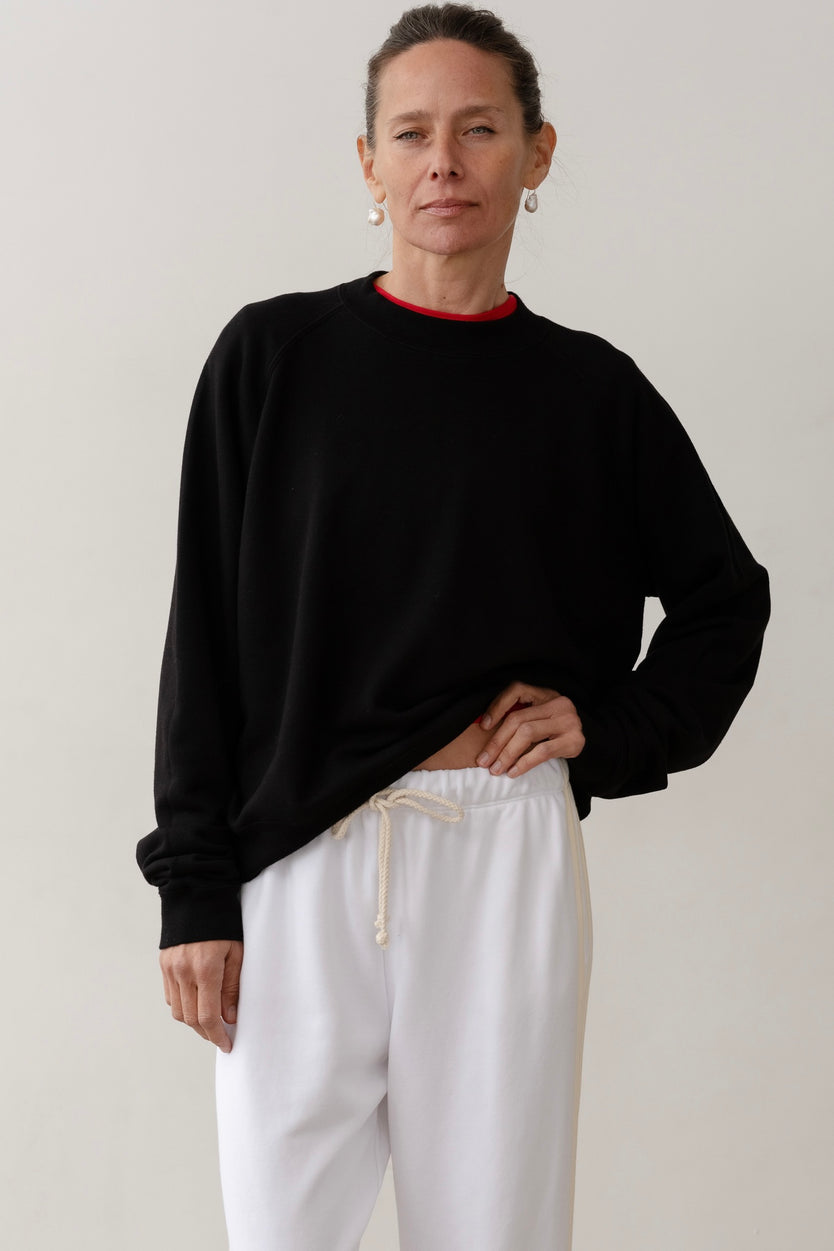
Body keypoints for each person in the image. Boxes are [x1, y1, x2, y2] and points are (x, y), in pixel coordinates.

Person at [136, 5, 770, 1249]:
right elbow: (201, 636)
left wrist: (612, 729)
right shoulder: (274, 358)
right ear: (368, 162)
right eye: (412, 132)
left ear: (535, 152)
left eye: (478, 129)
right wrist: (192, 890)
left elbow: (724, 599)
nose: (443, 162)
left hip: (503, 853)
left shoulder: (593, 393)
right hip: (297, 856)